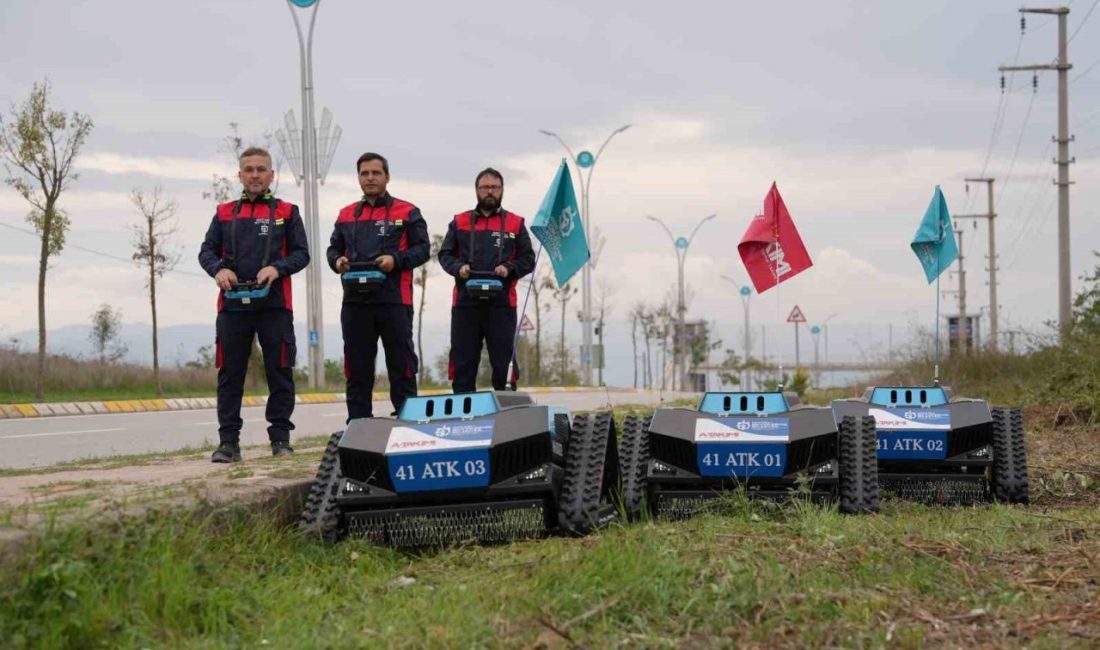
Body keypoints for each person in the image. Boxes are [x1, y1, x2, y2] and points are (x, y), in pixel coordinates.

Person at [198, 146, 309, 463]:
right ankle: (228, 443)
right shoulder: (224, 212)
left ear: (271, 175)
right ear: (240, 175)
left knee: (280, 372)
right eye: (249, 169)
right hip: (232, 307)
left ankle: (281, 440)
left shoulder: (287, 212)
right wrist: (218, 270)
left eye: (261, 169)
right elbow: (206, 251)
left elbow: (302, 253)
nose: (255, 175)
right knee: (230, 375)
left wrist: (277, 268)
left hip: (275, 306)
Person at [327, 152, 430, 420]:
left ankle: (409, 423)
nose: (370, 178)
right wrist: (337, 261)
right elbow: (333, 249)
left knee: (402, 365)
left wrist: (395, 260)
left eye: (376, 173)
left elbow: (423, 250)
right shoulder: (346, 214)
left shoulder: (407, 212)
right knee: (357, 367)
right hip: (355, 303)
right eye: (364, 173)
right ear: (358, 178)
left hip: (394, 301)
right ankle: (358, 425)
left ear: (387, 176)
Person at [438, 167, 536, 392]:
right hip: (465, 304)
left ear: (502, 190)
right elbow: (445, 255)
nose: (489, 192)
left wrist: (509, 268)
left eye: (494, 187)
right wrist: (458, 268)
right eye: (485, 187)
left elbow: (528, 259)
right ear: (476, 190)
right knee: (463, 363)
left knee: (503, 364)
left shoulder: (515, 223)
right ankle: (464, 409)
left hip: (501, 305)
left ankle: (507, 408)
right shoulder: (459, 221)